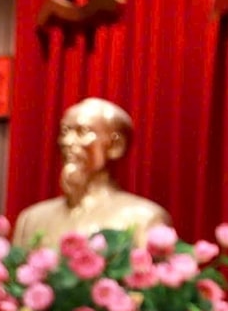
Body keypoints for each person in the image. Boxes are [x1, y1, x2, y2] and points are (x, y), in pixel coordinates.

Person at [12, 97, 172, 249]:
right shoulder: (31, 220)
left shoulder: (143, 218)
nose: (67, 141)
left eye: (82, 131)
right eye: (65, 131)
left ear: (116, 145)